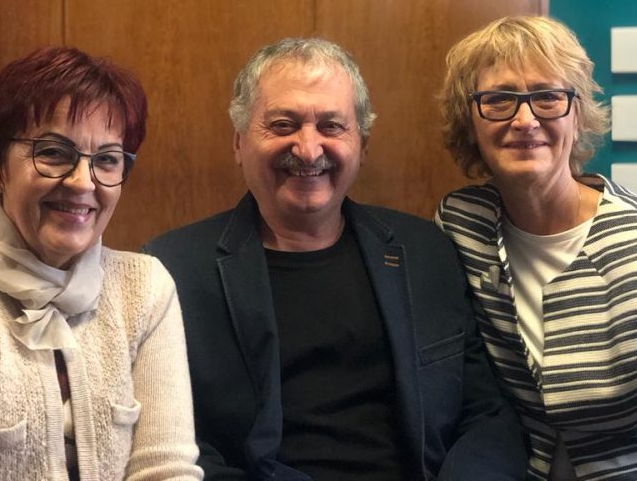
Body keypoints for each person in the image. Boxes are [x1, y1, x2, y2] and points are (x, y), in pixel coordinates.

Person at [144, 37, 527, 480]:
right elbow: (177, 447)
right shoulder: (171, 271)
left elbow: (486, 415)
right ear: (238, 142)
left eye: (331, 126)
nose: (308, 149)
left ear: (362, 145)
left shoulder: (426, 250)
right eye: (283, 125)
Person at [434, 15, 637, 481]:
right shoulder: (461, 225)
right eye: (499, 99)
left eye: (547, 97)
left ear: (577, 114)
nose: (524, 121)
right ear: (470, 120)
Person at [0, 47, 202, 480]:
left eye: (107, 159)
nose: (81, 182)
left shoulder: (144, 288)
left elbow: (166, 470)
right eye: (54, 152)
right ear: (0, 168)